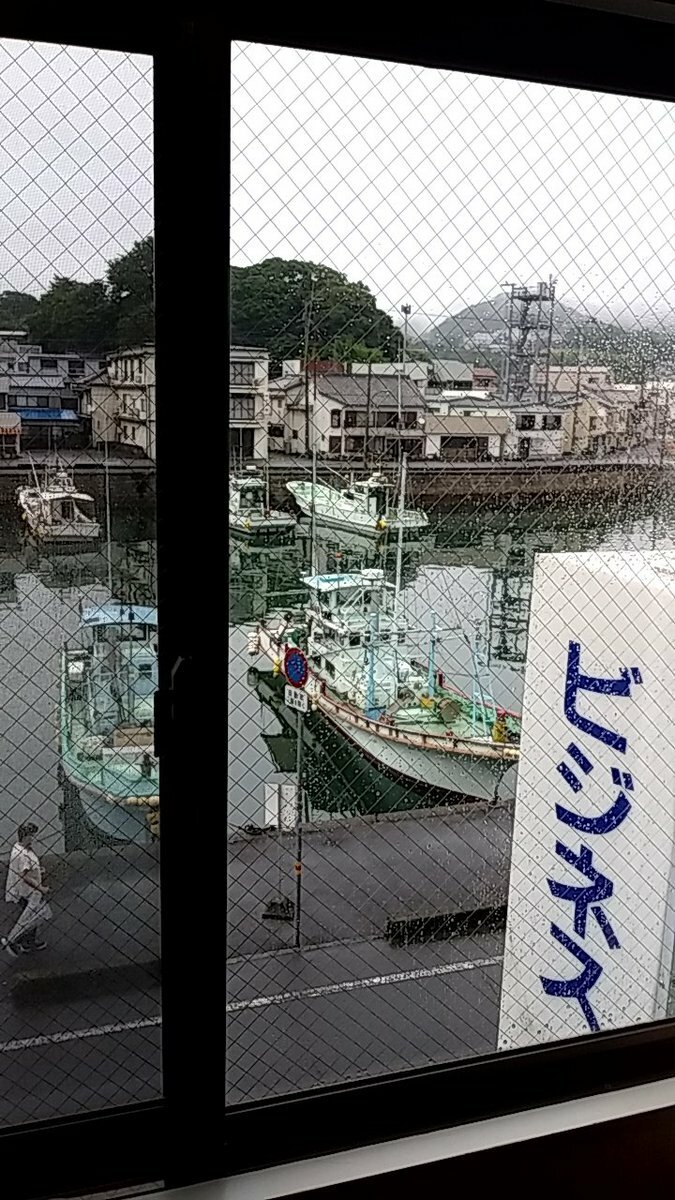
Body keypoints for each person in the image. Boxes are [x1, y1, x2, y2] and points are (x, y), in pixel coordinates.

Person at [2, 823, 49, 957]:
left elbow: (24, 870)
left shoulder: (18, 847)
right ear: (26, 836)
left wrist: (37, 870)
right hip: (25, 892)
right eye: (32, 836)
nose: (34, 838)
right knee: (30, 918)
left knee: (31, 916)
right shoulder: (22, 854)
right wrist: (41, 888)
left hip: (22, 891)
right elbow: (25, 876)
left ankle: (26, 942)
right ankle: (16, 941)